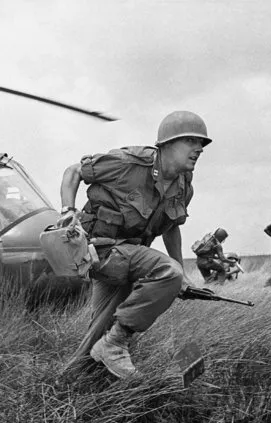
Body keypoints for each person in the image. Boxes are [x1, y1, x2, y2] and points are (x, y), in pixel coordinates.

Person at [58, 110, 213, 379]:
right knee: (167, 275)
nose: (199, 148)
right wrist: (67, 211)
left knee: (101, 329)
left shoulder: (183, 187)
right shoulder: (128, 162)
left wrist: (183, 274)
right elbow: (73, 172)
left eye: (201, 144)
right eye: (190, 141)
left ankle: (72, 380)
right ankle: (116, 344)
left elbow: (172, 227)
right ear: (166, 144)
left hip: (127, 257)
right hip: (100, 252)